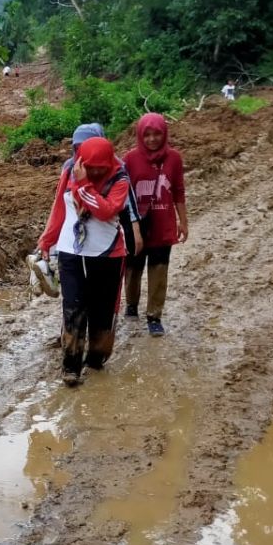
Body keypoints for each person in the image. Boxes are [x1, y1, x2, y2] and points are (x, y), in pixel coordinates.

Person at [37, 136, 130, 387]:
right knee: (73, 308)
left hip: (108, 254)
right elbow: (60, 207)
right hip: (71, 252)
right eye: (91, 167)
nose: (97, 171)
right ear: (82, 161)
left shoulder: (120, 178)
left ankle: (97, 360)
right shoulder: (70, 170)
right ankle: (71, 366)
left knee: (102, 310)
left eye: (102, 167)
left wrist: (84, 184)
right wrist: (47, 240)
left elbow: (106, 210)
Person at [122, 113, 188, 337]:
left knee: (159, 269)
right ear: (140, 136)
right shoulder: (130, 159)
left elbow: (178, 190)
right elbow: (123, 193)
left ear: (164, 134)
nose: (152, 139)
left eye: (157, 134)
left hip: (163, 222)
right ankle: (131, 304)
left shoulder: (174, 158)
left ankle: (154, 316)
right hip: (137, 225)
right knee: (133, 267)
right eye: (147, 135)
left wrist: (183, 221)